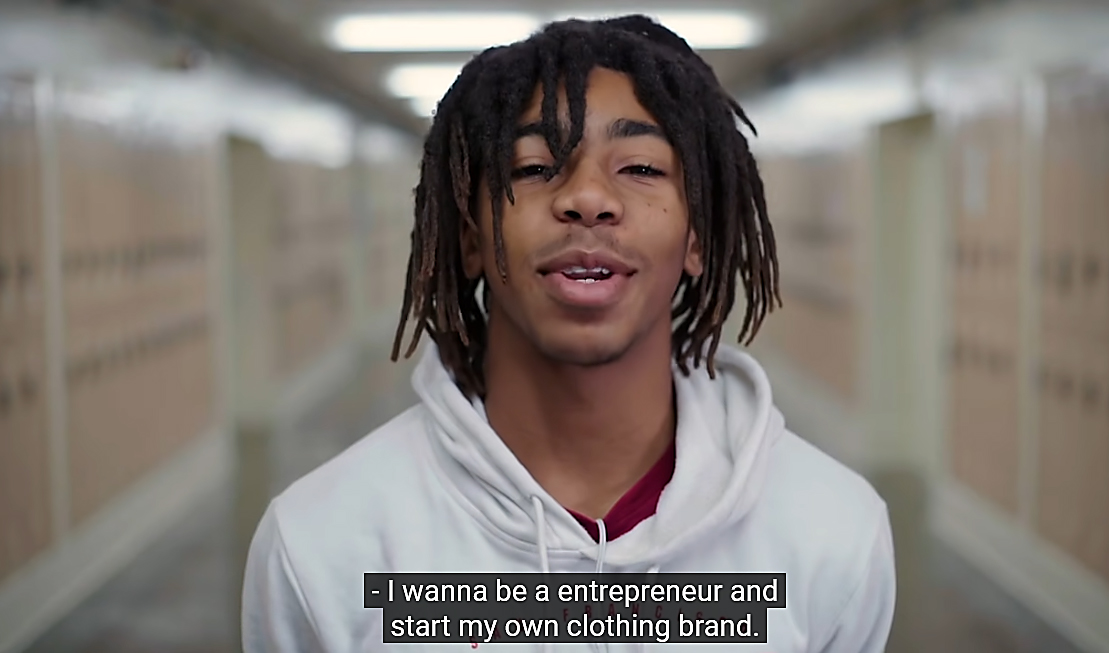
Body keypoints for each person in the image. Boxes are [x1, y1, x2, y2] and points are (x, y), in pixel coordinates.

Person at [242, 14, 895, 653]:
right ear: (470, 238)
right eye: (532, 168)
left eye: (639, 168)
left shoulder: (829, 531)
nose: (586, 198)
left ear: (695, 237)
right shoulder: (323, 543)